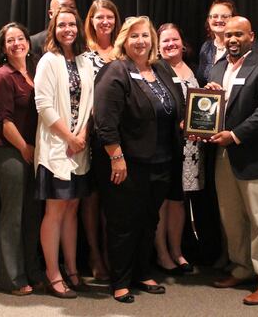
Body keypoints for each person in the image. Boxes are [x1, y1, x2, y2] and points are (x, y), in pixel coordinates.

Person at [94, 16, 184, 303]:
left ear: (152, 40)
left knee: (149, 220)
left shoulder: (161, 69)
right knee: (123, 223)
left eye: (145, 36)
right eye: (134, 36)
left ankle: (142, 272)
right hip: (128, 164)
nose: (141, 41)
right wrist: (116, 157)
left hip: (161, 162)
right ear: (124, 40)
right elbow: (105, 121)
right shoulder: (115, 71)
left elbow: (175, 108)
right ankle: (120, 281)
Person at [205, 16, 258, 306]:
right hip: (223, 155)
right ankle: (242, 267)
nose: (232, 40)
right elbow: (208, 108)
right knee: (232, 217)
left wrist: (235, 135)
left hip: (254, 157)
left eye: (238, 34)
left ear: (251, 36)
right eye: (228, 35)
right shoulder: (217, 68)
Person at [34, 7, 94, 298]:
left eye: (72, 24)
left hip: (79, 149)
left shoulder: (84, 61)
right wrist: (69, 137)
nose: (68, 29)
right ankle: (52, 273)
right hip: (56, 148)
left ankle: (72, 269)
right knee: (55, 211)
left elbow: (90, 104)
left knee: (72, 210)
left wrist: (81, 136)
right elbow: (43, 105)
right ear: (53, 30)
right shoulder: (48, 60)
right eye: (62, 25)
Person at [0, 23, 41, 296]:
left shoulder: (33, 72)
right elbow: (3, 121)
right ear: (4, 47)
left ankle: (32, 271)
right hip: (11, 152)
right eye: (10, 40)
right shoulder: (2, 75)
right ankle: (12, 278)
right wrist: (24, 147)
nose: (17, 43)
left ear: (28, 42)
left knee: (32, 215)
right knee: (13, 216)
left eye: (21, 38)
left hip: (33, 152)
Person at [154, 23, 203, 275]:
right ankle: (162, 253)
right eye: (165, 41)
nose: (170, 44)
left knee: (180, 200)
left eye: (174, 40)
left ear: (182, 43)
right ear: (158, 46)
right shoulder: (156, 69)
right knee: (163, 200)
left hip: (192, 146)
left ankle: (177, 251)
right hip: (166, 144)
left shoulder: (193, 69)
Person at [82, 0, 122, 281]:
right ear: (91, 22)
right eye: (99, 17)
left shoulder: (124, 53)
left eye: (109, 17)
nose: (105, 22)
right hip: (92, 135)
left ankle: (113, 253)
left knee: (115, 199)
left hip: (120, 136)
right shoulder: (84, 54)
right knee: (92, 197)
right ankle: (95, 254)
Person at [197, 0, 258, 85]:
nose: (219, 20)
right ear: (208, 19)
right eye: (215, 16)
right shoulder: (206, 47)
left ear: (234, 18)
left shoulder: (251, 45)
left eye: (224, 16)